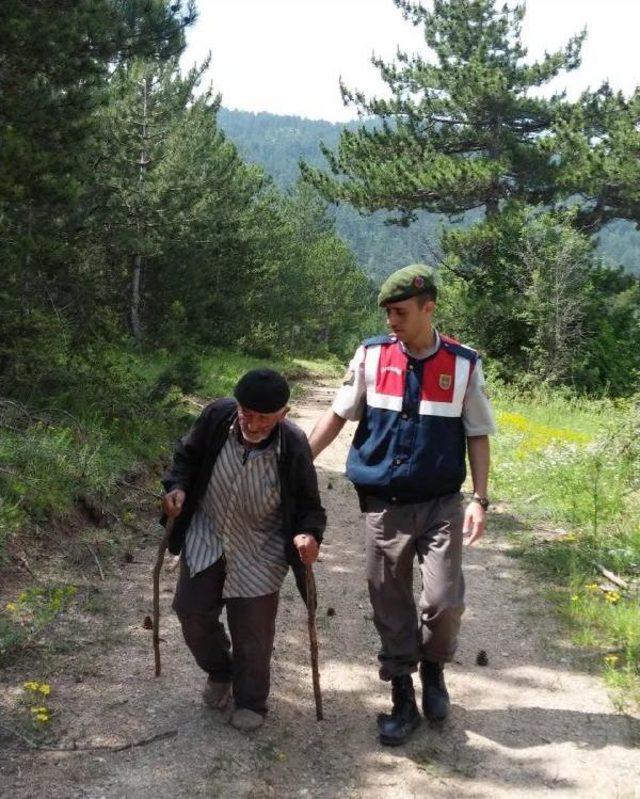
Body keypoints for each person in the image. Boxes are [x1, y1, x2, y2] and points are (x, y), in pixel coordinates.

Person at [308, 264, 496, 746]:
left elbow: (477, 434)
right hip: (384, 506)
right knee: (390, 604)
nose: (391, 321)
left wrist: (479, 498)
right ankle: (402, 697)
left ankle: (433, 670)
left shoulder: (463, 364)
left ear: (428, 308)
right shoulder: (370, 356)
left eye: (400, 312)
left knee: (443, 601)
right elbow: (336, 416)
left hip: (440, 504)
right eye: (388, 313)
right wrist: (295, 462)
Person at [161, 368, 326, 732]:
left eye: (263, 417)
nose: (252, 423)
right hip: (209, 533)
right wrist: (177, 487)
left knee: (253, 630)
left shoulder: (293, 444)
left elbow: (310, 508)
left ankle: (252, 700)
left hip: (260, 544)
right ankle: (221, 670)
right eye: (246, 412)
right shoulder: (218, 417)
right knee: (190, 612)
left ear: (283, 413)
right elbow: (185, 458)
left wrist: (308, 535)